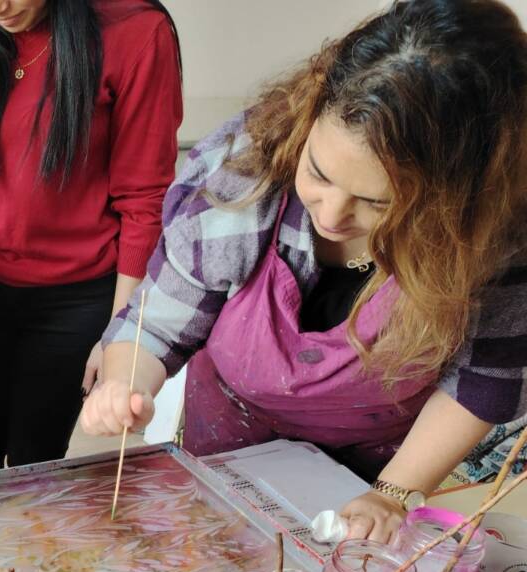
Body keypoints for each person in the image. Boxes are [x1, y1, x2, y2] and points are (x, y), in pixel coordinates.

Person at [82, 0, 527, 542]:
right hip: (228, 423)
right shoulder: (246, 171)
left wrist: (392, 493)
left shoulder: (495, 233)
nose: (333, 214)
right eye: (318, 172)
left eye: (377, 203)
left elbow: (479, 383)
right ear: (313, 112)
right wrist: (126, 383)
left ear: (456, 199)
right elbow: (157, 321)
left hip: (380, 455)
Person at [0, 0, 182, 467]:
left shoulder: (136, 30)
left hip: (76, 302)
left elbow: (143, 201)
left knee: (37, 461)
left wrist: (118, 337)